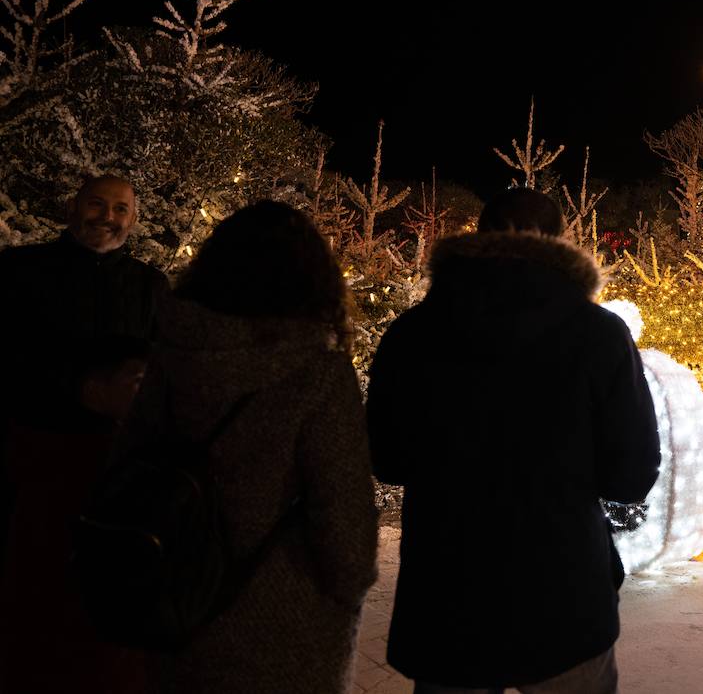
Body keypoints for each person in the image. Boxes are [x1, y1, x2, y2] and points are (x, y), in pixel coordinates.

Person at [367, 187, 660, 694]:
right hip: (563, 590)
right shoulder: (599, 334)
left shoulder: (414, 334)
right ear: (560, 243)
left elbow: (388, 459)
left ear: (478, 238)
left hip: (448, 590)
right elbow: (631, 472)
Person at [113, 200, 379, 693]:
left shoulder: (175, 352)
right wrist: (351, 584)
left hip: (177, 599)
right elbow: (341, 502)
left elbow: (130, 458)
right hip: (285, 614)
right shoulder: (316, 369)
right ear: (311, 276)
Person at [0, 174, 168, 693]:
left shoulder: (149, 285)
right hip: (34, 459)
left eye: (121, 209)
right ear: (75, 206)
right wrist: (81, 386)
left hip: (117, 470)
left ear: (133, 219)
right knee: (33, 596)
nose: (108, 217)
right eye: (98, 204)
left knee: (106, 606)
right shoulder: (20, 272)